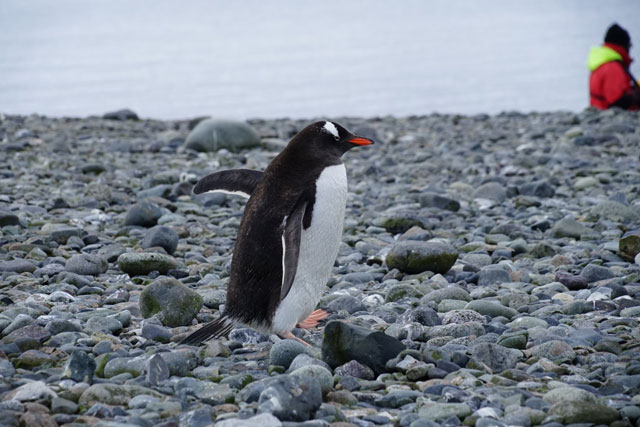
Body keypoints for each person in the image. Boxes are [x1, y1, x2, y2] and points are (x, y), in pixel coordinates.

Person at [588, 23, 640, 110]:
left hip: (599, 112)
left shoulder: (602, 62)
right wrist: (636, 97)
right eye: (629, 46)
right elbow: (616, 101)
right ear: (623, 46)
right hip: (610, 116)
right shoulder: (612, 67)